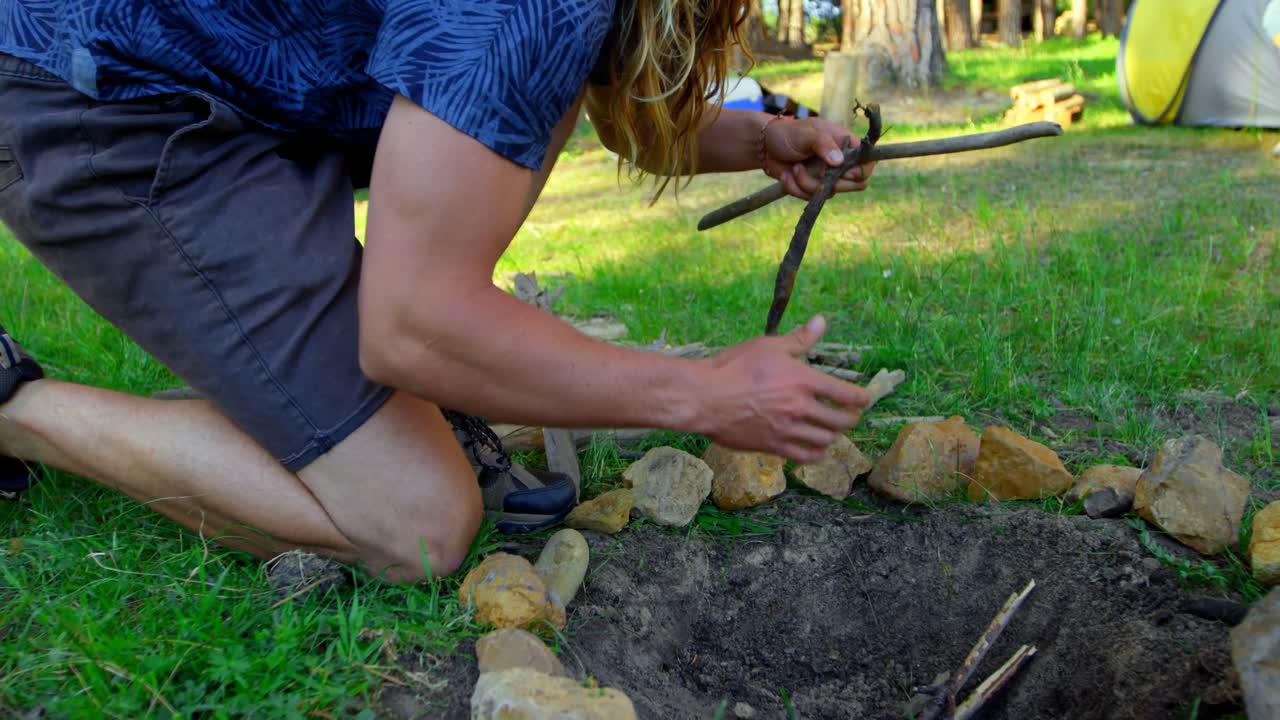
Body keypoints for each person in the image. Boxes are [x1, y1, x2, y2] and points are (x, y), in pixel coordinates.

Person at [0, 0, 875, 583]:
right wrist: (706, 394)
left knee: (418, 356)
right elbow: (409, 328)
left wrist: (761, 138)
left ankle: (337, 403)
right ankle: (16, 406)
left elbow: (597, 104)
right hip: (99, 101)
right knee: (414, 523)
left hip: (230, 100)